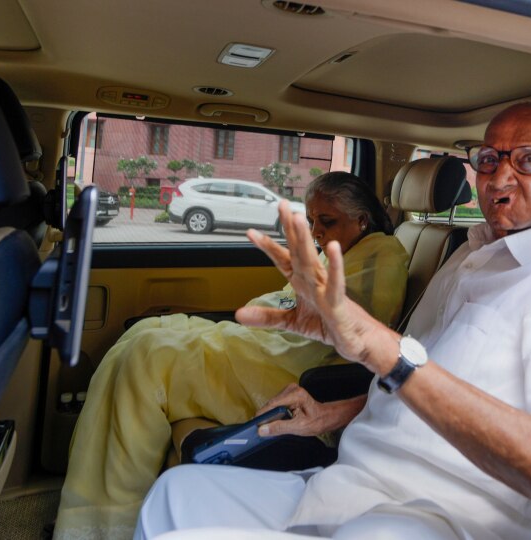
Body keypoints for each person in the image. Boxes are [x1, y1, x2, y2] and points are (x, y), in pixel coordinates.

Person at [134, 103, 531, 540]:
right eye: (488, 159)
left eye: (530, 159)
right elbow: (438, 381)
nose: (501, 176)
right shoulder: (469, 257)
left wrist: (383, 349)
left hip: (454, 518)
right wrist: (332, 413)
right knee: (176, 496)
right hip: (359, 485)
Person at [53, 172, 409, 540]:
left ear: (361, 220)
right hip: (268, 344)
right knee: (144, 332)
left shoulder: (383, 258)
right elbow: (294, 301)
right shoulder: (339, 252)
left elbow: (356, 334)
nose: (316, 231)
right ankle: (97, 511)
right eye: (312, 220)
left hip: (296, 366)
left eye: (327, 222)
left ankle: (111, 525)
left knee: (147, 357)